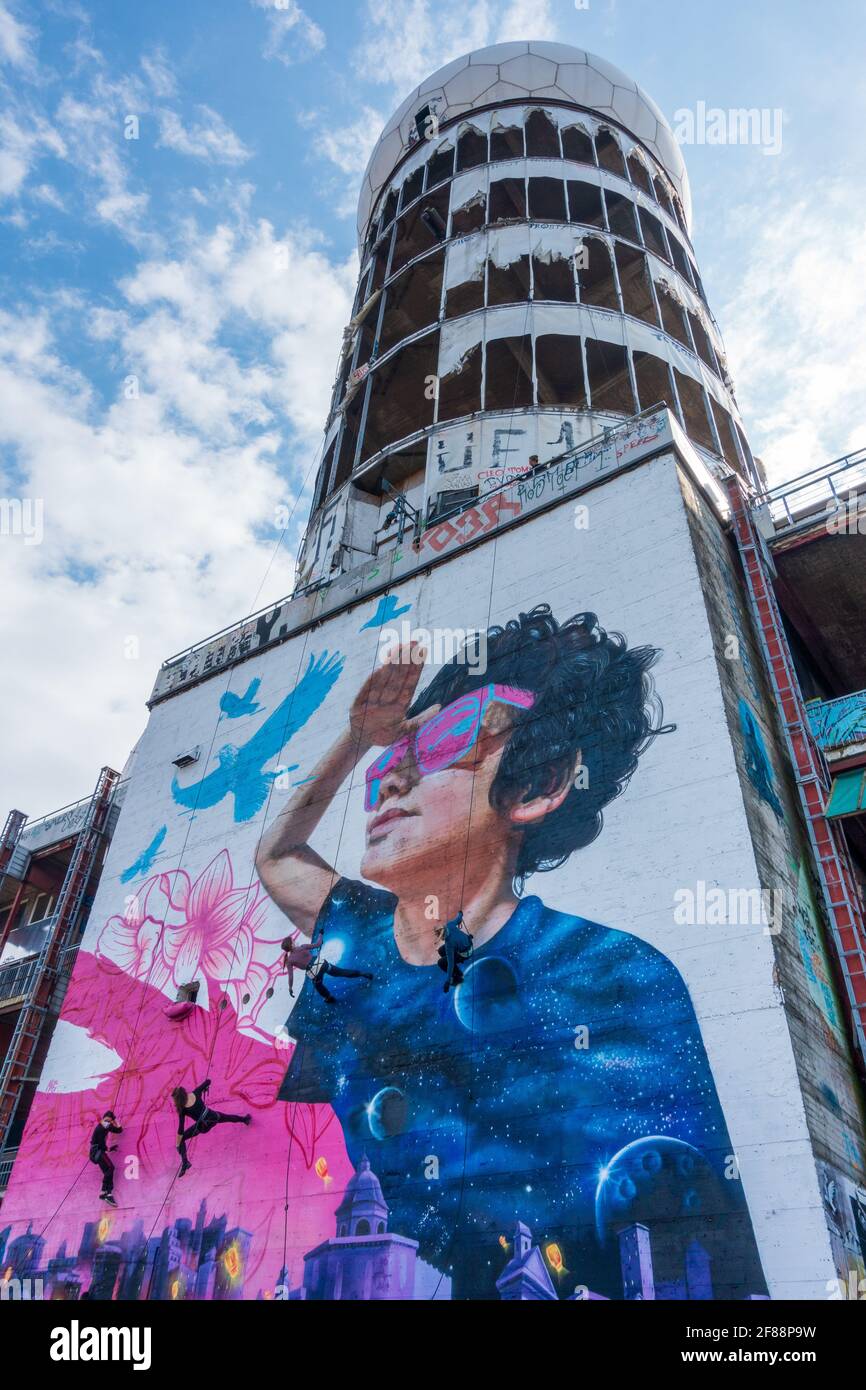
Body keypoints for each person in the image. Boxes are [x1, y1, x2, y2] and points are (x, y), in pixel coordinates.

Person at [256, 605, 768, 1300]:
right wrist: (355, 741)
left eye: (440, 746)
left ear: (538, 785)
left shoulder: (615, 975)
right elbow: (279, 852)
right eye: (387, 766)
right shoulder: (360, 931)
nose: (391, 782)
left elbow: (694, 1239)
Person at [172, 1078, 251, 1177]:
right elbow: (208, 1081)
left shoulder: (182, 1109)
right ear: (184, 1092)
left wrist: (178, 1144)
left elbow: (181, 1129)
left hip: (202, 1126)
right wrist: (205, 1087)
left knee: (182, 1138)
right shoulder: (196, 1093)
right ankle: (245, 1120)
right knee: (227, 1117)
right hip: (213, 1117)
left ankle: (185, 1163)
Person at [89, 1110, 122, 1206]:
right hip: (98, 1152)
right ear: (105, 1119)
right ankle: (105, 1191)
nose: (108, 1122)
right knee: (111, 1168)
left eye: (109, 1120)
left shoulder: (102, 1127)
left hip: (97, 1152)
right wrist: (115, 1120)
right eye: (107, 1120)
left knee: (108, 1171)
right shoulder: (103, 1125)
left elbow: (100, 1142)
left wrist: (109, 1149)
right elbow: (119, 1130)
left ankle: (106, 1193)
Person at [437, 910, 473, 992]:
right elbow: (458, 919)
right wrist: (460, 913)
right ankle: (458, 972)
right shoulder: (449, 925)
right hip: (467, 944)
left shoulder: (449, 944)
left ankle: (457, 978)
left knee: (441, 962)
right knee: (441, 951)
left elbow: (450, 964)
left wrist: (448, 981)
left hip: (466, 953)